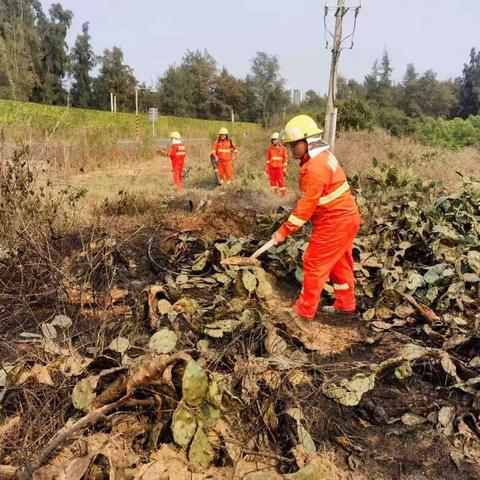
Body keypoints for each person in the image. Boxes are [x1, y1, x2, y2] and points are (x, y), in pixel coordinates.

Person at [272, 114, 361, 329]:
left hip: (334, 222)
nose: (292, 149)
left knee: (313, 262)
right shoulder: (323, 156)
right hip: (347, 218)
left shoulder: (313, 168)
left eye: (295, 144)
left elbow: (305, 208)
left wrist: (284, 231)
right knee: (340, 263)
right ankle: (345, 305)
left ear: (307, 142)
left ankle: (303, 312)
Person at [266, 132, 288, 197]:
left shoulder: (283, 149)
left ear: (278, 140)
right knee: (272, 182)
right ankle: (274, 195)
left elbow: (285, 159)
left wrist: (284, 168)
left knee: (280, 181)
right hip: (271, 168)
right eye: (273, 139)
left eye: (276, 139)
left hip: (279, 168)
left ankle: (283, 195)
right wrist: (267, 168)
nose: (274, 141)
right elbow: (268, 159)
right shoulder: (270, 149)